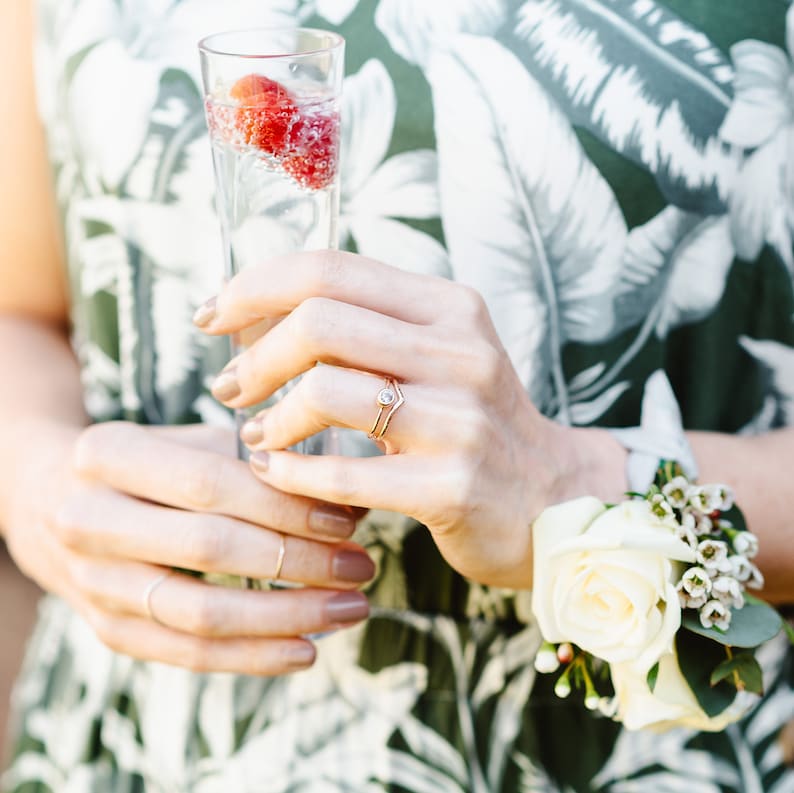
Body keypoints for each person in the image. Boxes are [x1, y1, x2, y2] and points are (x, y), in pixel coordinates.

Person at [1, 0, 792, 791]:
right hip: (157, 721)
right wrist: (36, 479)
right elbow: (20, 308)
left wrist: (578, 484)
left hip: (625, 737)